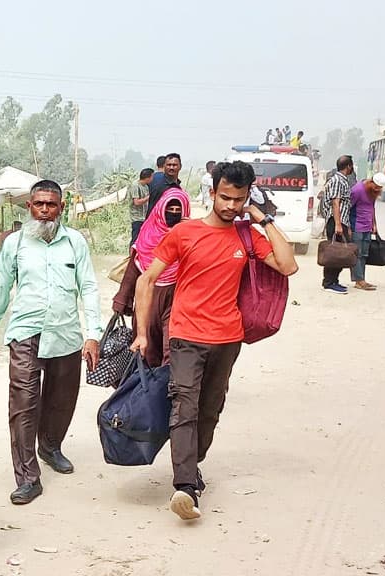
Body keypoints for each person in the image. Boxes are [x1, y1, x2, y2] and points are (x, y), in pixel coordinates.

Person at [131, 160, 298, 521]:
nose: (231, 206)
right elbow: (147, 280)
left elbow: (288, 265)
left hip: (228, 338)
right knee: (184, 407)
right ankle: (185, 487)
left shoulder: (245, 235)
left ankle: (193, 466)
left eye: (239, 199)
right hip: (186, 336)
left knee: (210, 411)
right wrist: (143, 333)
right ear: (212, 193)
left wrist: (263, 220)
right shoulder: (184, 234)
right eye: (225, 197)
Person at [0, 180, 102, 505]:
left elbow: (88, 287)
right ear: (29, 207)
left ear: (61, 208)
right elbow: (1, 287)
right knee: (23, 405)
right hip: (25, 333)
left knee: (62, 401)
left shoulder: (75, 242)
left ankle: (50, 446)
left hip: (66, 334)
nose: (45, 211)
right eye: (39, 204)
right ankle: (28, 478)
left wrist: (94, 333)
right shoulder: (15, 244)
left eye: (51, 205)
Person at [113, 188, 190, 367]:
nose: (173, 214)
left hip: (177, 300)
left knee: (172, 349)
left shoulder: (190, 235)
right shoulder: (147, 235)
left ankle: (169, 389)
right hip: (147, 301)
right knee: (146, 350)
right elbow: (134, 269)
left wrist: (188, 231)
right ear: (160, 210)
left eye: (178, 212)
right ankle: (147, 390)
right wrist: (121, 300)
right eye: (169, 210)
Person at [321, 155, 355, 294]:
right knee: (334, 252)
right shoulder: (337, 181)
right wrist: (338, 224)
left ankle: (334, 280)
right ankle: (329, 282)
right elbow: (336, 202)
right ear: (349, 166)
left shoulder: (342, 180)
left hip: (341, 221)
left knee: (339, 252)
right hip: (336, 221)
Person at [349, 173, 385, 291]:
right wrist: (348, 227)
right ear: (371, 182)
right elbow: (347, 208)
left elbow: (372, 208)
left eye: (379, 189)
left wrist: (374, 224)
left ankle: (361, 280)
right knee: (357, 254)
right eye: (376, 187)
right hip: (357, 227)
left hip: (367, 227)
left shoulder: (373, 192)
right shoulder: (357, 190)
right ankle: (359, 280)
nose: (377, 190)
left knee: (364, 254)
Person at [128, 169, 154, 246]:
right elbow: (136, 202)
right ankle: (131, 256)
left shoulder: (146, 187)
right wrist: (148, 197)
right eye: (152, 177)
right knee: (135, 238)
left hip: (144, 217)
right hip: (136, 217)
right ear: (147, 178)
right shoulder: (135, 186)